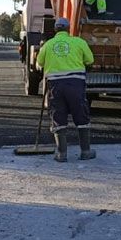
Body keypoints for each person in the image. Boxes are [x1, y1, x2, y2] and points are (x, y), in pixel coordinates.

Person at [35, 18, 96, 161]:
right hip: (75, 84)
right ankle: (85, 151)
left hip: (56, 86)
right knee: (81, 115)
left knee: (58, 115)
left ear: (55, 30)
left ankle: (61, 154)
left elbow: (39, 63)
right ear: (69, 29)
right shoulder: (79, 42)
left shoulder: (48, 45)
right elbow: (90, 61)